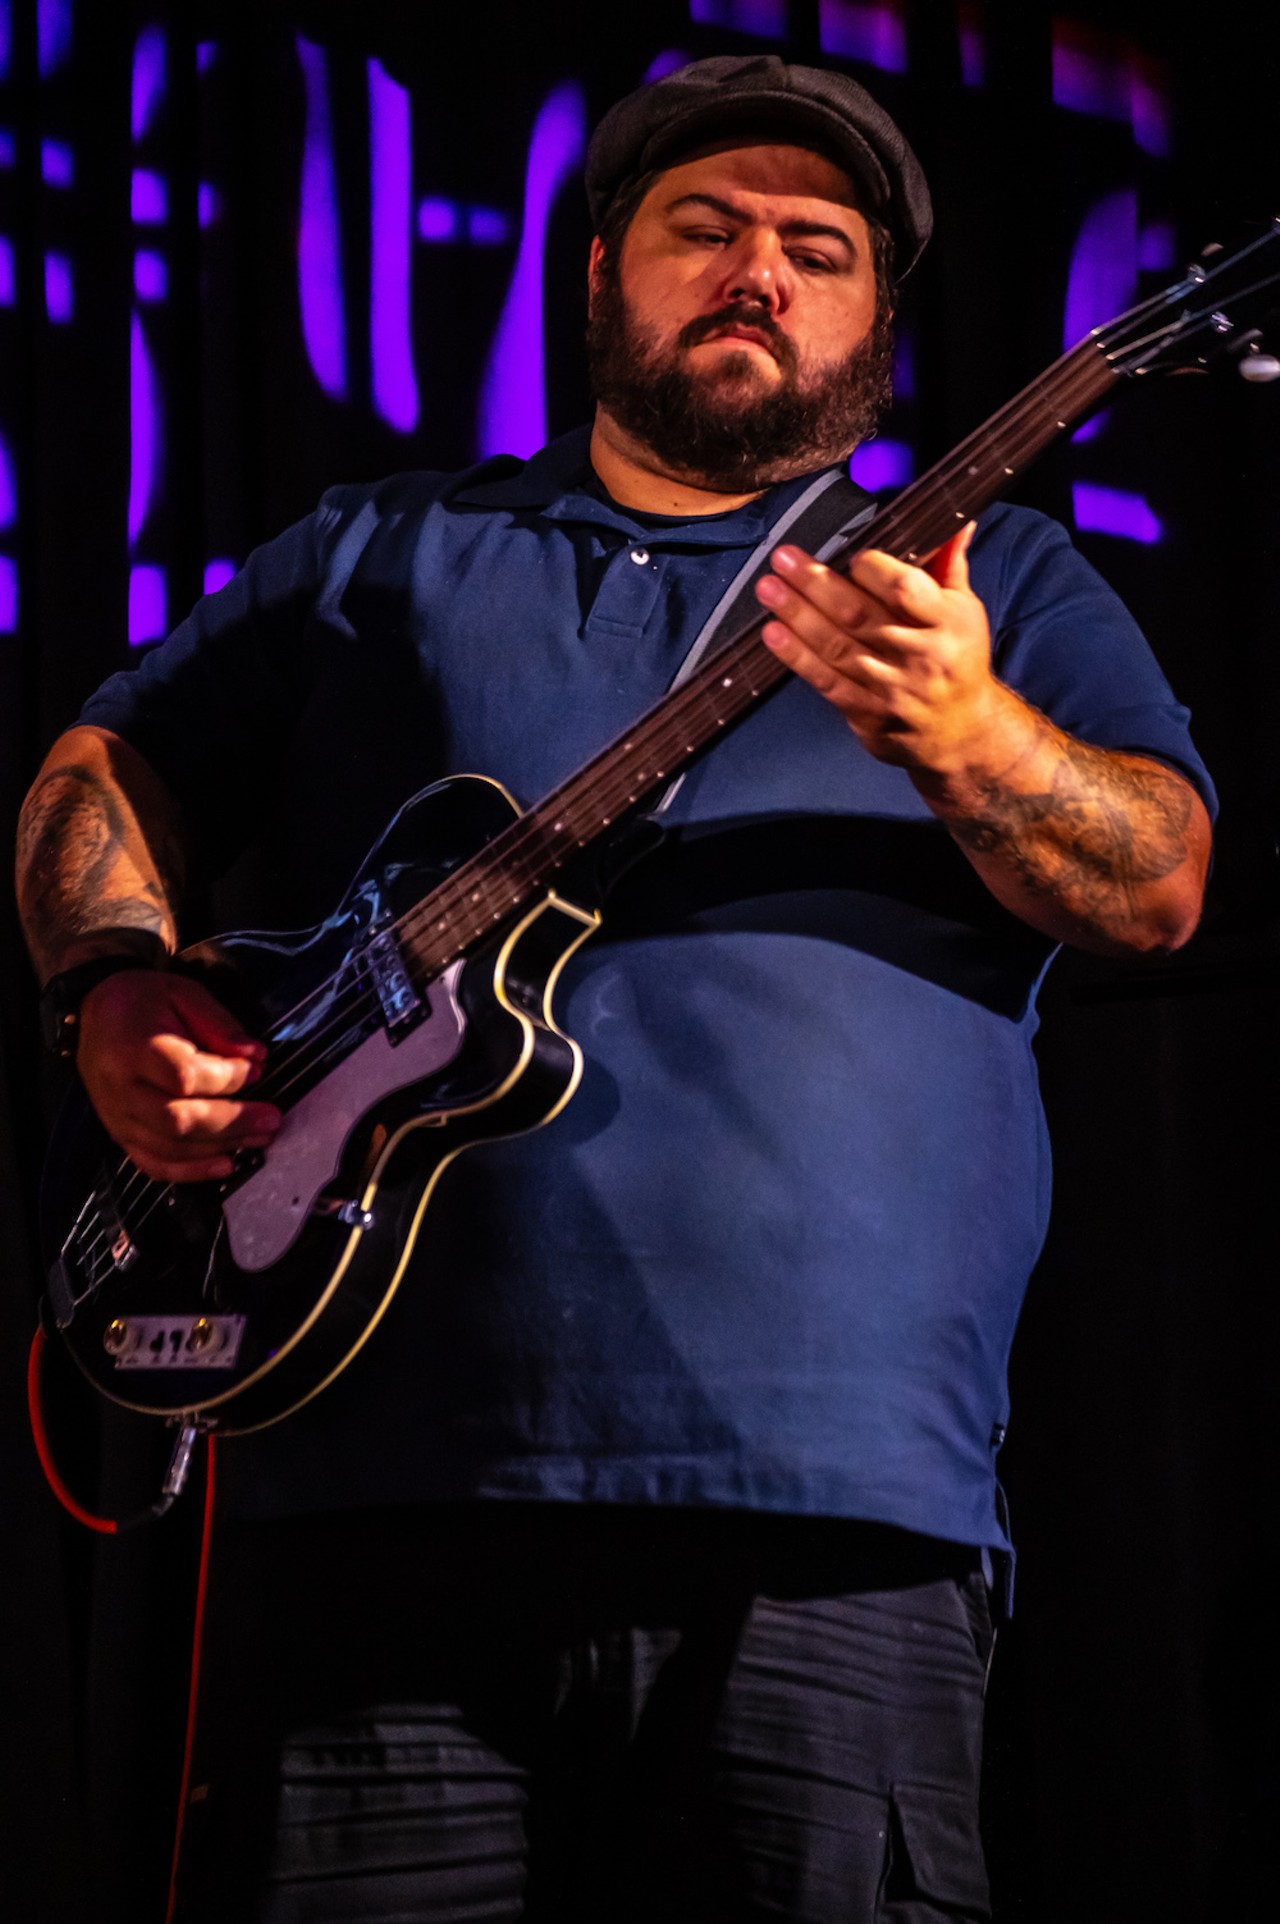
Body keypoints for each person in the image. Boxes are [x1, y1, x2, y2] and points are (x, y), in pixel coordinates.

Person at [17, 53, 1213, 1924]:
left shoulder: (1006, 588)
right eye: (703, 228)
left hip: (832, 1530)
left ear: (881, 321)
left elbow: (1155, 893)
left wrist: (968, 731)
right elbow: (106, 764)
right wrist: (110, 985)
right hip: (364, 1504)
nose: (759, 272)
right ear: (599, 273)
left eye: (818, 247)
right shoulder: (385, 551)